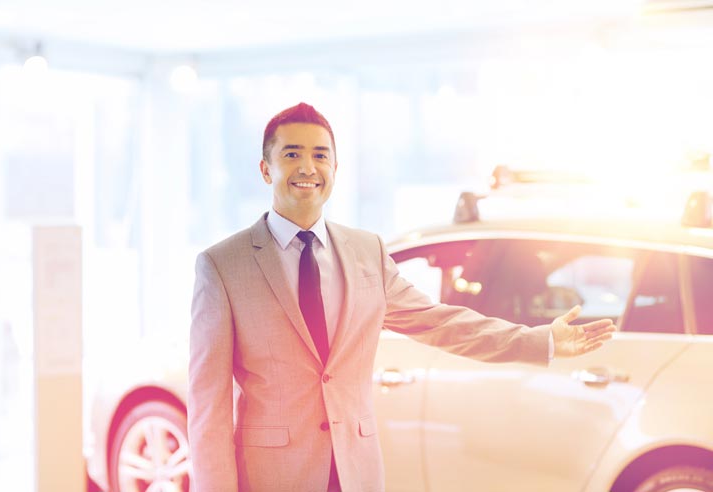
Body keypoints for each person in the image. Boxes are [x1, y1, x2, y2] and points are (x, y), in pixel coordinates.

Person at [188, 102, 616, 492]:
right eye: (292, 154)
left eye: (320, 155)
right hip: (271, 479)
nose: (308, 167)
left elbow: (441, 322)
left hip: (356, 473)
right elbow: (208, 409)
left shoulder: (366, 252)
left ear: (335, 168)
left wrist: (541, 340)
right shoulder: (223, 267)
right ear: (266, 169)